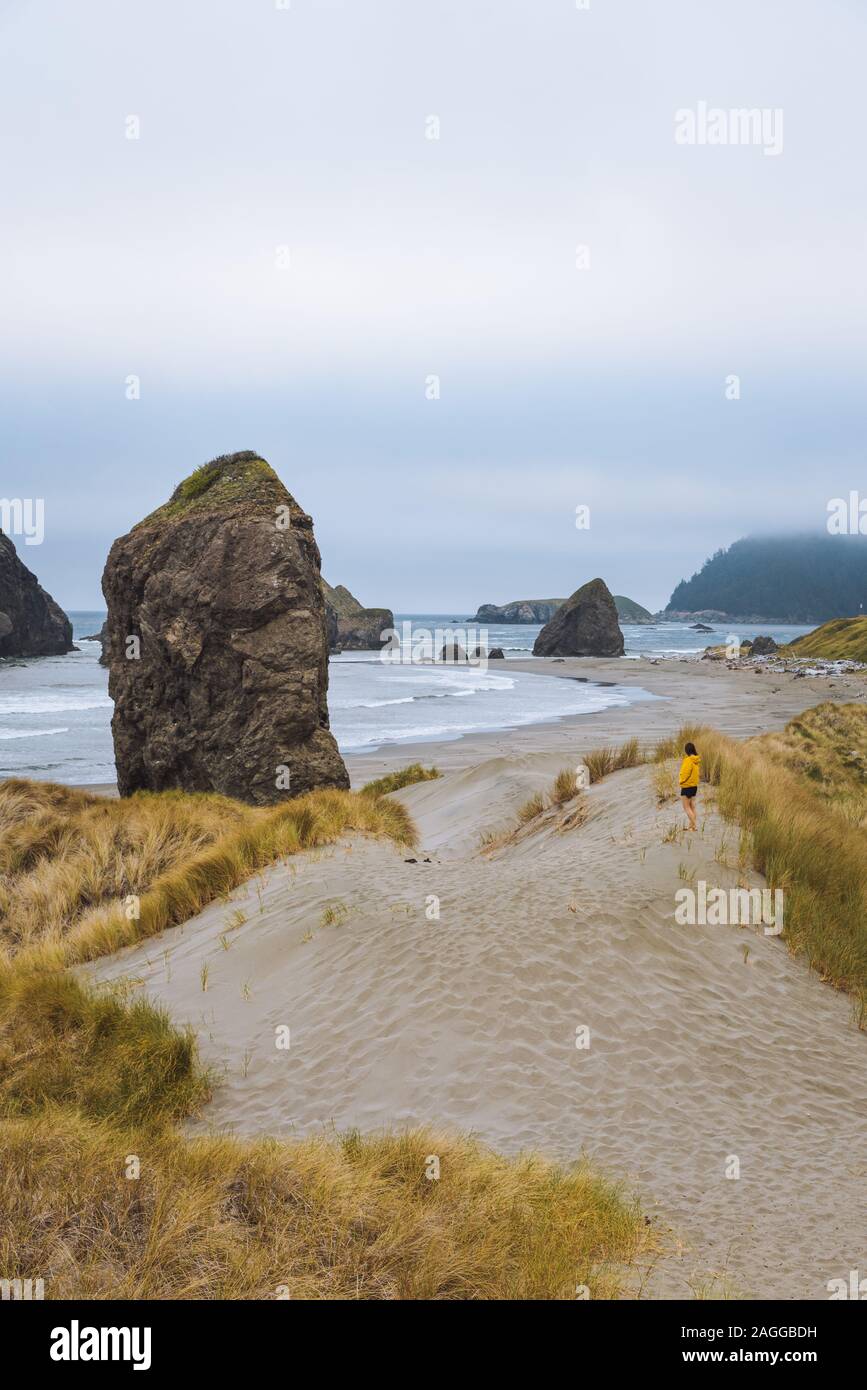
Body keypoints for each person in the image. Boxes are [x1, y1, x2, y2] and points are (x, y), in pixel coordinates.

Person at [679, 741, 700, 830]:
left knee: (686, 807)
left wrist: (681, 781)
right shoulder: (696, 760)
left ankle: (694, 826)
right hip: (694, 786)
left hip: (687, 786)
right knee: (692, 806)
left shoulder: (688, 760)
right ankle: (691, 826)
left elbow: (685, 773)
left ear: (687, 750)